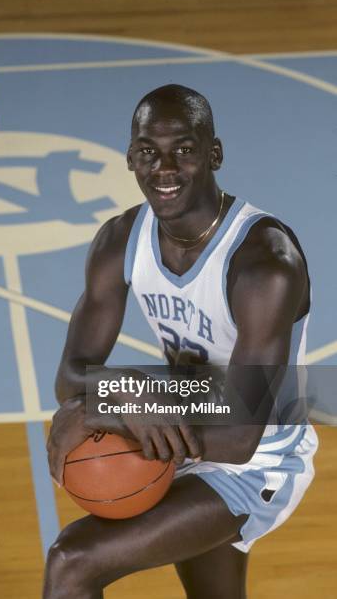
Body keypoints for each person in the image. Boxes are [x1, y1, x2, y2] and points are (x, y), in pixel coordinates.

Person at [44, 84, 318, 599]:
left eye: (184, 150)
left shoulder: (264, 264)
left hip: (260, 457)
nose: (164, 169)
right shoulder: (120, 240)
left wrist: (108, 410)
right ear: (130, 158)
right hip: (184, 431)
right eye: (148, 151)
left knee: (72, 563)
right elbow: (71, 376)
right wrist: (124, 389)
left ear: (213, 154)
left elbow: (241, 435)